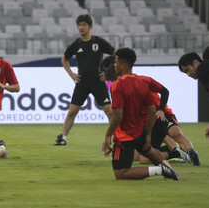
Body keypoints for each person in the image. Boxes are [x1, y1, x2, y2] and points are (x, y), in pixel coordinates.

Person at [101, 48, 181, 181]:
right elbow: (152, 111)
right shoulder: (142, 82)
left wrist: (108, 134)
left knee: (121, 173)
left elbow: (118, 116)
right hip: (140, 132)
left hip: (124, 136)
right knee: (149, 152)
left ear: (123, 65)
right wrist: (148, 134)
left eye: (115, 62)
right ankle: (171, 166)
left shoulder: (117, 86)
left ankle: (161, 170)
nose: (114, 65)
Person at [54, 14, 114, 146]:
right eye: (79, 25)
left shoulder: (99, 42)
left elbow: (116, 55)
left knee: (109, 111)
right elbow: (64, 59)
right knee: (72, 111)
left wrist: (108, 73)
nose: (81, 27)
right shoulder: (76, 44)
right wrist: (72, 74)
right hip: (82, 83)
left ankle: (119, 137)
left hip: (98, 82)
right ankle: (63, 137)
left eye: (84, 25)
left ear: (90, 27)